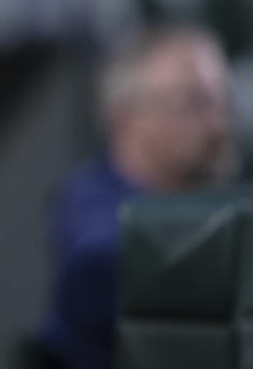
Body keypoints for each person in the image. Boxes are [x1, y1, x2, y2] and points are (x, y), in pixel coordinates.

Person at [37, 25, 235, 368]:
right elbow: (99, 261)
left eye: (222, 101)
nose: (219, 125)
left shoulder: (217, 201)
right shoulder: (93, 206)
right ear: (128, 117)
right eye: (194, 102)